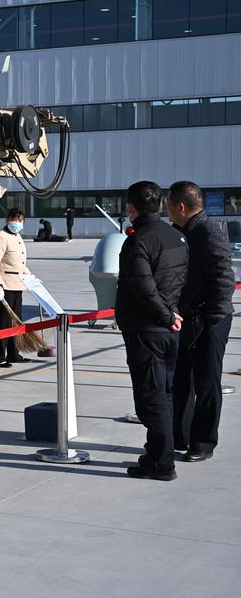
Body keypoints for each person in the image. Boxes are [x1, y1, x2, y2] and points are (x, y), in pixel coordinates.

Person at [116, 181, 188, 481]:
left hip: (149, 329)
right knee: (166, 394)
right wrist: (172, 315)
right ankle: (158, 452)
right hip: (170, 328)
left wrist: (164, 315)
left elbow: (144, 288)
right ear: (160, 205)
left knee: (151, 397)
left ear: (131, 208)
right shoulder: (176, 236)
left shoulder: (137, 241)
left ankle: (161, 464)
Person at [167, 181, 235, 462]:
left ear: (180, 207)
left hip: (208, 321)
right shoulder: (183, 231)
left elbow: (224, 278)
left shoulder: (207, 231)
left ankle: (204, 442)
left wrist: (211, 318)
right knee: (182, 381)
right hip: (187, 320)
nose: (166, 210)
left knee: (207, 383)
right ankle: (181, 436)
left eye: (169, 205)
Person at [0, 208, 31, 368]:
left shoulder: (16, 236)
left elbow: (19, 264)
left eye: (20, 220)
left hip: (17, 284)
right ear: (7, 220)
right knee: (3, 323)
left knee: (16, 322)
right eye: (15, 219)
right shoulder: (1, 237)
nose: (17, 223)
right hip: (4, 287)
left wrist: (31, 277)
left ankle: (13, 354)